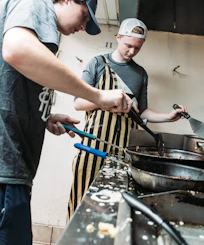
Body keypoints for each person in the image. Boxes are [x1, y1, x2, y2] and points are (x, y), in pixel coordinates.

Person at [0, 0, 133, 245]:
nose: (83, 27)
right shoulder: (34, 2)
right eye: (85, 16)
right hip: (4, 164)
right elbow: (15, 50)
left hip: (15, 166)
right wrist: (97, 95)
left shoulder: (49, 38)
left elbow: (13, 88)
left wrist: (46, 117)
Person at [67, 18, 186, 218]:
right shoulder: (98, 63)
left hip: (123, 152)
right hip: (92, 148)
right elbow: (78, 103)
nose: (131, 51)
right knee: (82, 202)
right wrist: (106, 99)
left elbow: (142, 113)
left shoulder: (140, 74)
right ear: (118, 37)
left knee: (111, 208)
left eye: (137, 48)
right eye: (128, 45)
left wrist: (169, 117)